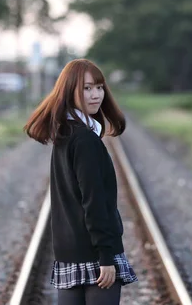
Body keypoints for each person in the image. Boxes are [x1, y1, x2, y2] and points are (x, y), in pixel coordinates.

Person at [24, 59, 138, 305]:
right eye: (87, 88)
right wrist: (106, 256)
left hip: (68, 255)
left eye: (99, 87)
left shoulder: (65, 135)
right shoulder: (85, 140)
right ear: (70, 91)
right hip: (95, 256)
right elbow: (94, 203)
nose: (96, 95)